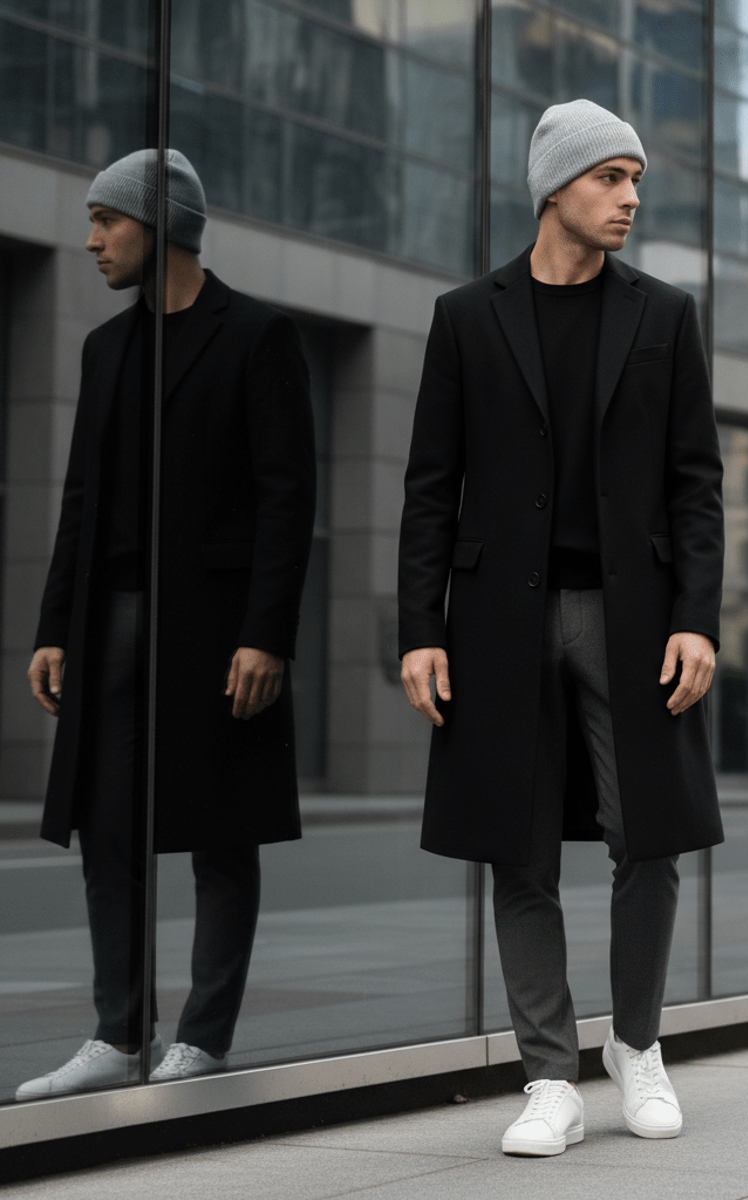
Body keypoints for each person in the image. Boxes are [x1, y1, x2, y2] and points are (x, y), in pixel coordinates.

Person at [396, 99, 724, 1156]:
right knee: (516, 847)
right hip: (499, 621)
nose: (630, 199)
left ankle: (637, 1051)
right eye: (611, 179)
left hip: (631, 619)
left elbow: (697, 487)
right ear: (555, 189)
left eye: (636, 181)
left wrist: (698, 621)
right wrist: (420, 629)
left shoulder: (665, 316)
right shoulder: (466, 316)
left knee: (652, 838)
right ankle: (549, 1078)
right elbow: (428, 487)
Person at [17, 150, 316, 1099]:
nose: (92, 239)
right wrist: (54, 624)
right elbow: (80, 499)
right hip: (110, 622)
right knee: (110, 832)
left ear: (163, 225)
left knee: (222, 833)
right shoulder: (105, 348)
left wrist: (268, 634)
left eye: (108, 220)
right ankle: (117, 1033)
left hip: (220, 628)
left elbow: (287, 500)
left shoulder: (259, 336)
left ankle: (204, 1036)